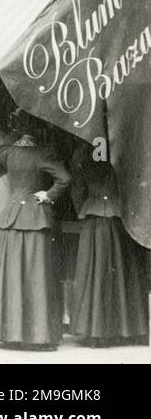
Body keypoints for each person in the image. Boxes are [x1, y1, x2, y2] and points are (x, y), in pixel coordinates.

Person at [0, 124, 70, 348]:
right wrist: (48, 194)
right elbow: (65, 178)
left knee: (12, 278)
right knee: (38, 277)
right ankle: (39, 336)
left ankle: (10, 333)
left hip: (12, 218)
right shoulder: (42, 153)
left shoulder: (9, 153)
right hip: (36, 218)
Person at [68, 144, 149, 346]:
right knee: (122, 273)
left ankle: (95, 332)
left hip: (93, 217)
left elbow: (77, 188)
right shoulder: (122, 145)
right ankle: (127, 329)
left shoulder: (82, 150)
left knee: (94, 274)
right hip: (118, 217)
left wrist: (81, 209)